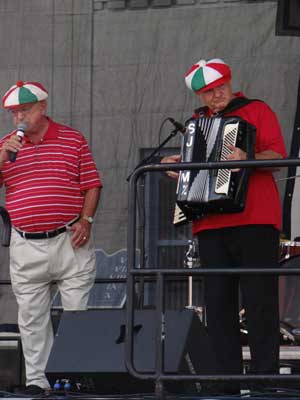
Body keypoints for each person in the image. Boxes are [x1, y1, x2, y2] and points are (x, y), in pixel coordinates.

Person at [162, 59, 287, 393]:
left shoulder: (257, 110)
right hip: (211, 222)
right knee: (218, 304)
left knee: (260, 300)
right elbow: (195, 171)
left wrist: (246, 159)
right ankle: (226, 382)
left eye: (219, 88)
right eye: (207, 93)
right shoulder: (196, 122)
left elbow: (278, 155)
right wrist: (177, 166)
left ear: (231, 82)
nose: (215, 96)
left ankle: (265, 382)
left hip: (255, 218)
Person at [0, 80, 102, 395]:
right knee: (31, 317)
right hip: (26, 242)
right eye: (14, 113)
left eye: (25, 110)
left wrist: (86, 220)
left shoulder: (72, 139)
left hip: (69, 239)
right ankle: (38, 383)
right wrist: (3, 156)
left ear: (43, 107)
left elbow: (92, 184)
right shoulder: (5, 145)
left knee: (76, 316)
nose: (19, 118)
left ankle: (74, 380)